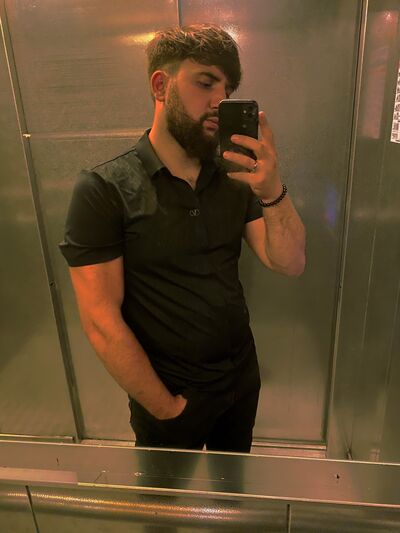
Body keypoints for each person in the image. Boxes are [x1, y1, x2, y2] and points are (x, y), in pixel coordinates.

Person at [60, 24, 305, 453]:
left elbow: (289, 262)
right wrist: (167, 408)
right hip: (169, 395)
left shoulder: (235, 178)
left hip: (241, 382)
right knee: (165, 498)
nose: (218, 103)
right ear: (161, 86)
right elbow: (100, 319)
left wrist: (272, 189)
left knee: (233, 490)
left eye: (227, 91)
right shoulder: (105, 189)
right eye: (205, 83)